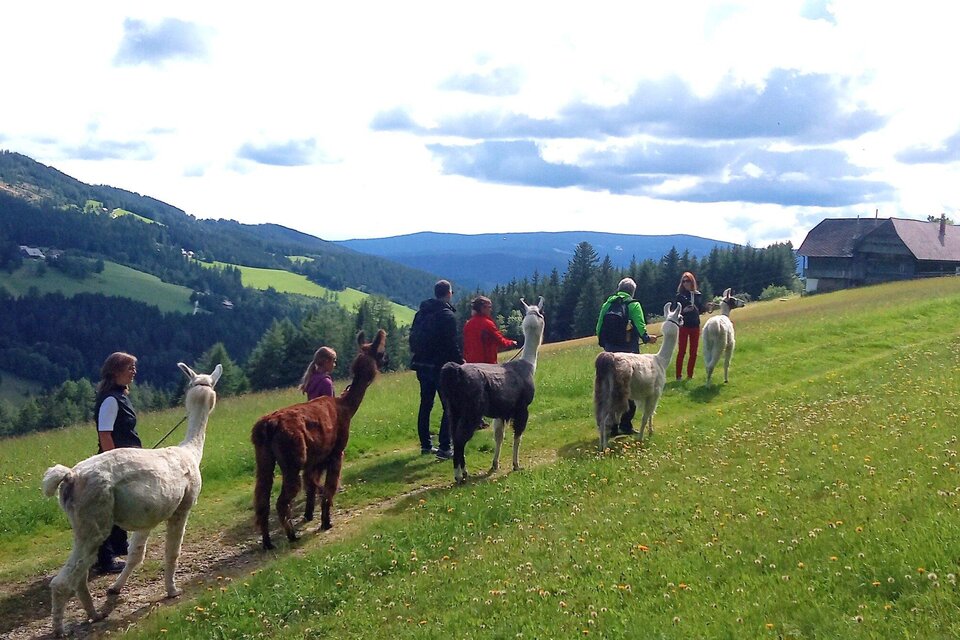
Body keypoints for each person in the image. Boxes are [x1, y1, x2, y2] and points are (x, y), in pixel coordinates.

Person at [94, 351, 141, 573]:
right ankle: (105, 559)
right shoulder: (111, 400)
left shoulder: (119, 396)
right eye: (129, 368)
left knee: (119, 505)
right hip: (115, 461)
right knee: (109, 509)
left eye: (134, 367)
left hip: (125, 459)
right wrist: (114, 463)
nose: (134, 372)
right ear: (115, 371)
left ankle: (120, 546)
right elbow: (105, 434)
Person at [596, 277, 658, 436]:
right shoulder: (633, 305)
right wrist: (646, 338)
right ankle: (625, 424)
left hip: (610, 352)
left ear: (618, 289)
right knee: (629, 387)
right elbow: (640, 324)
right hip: (629, 352)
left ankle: (612, 427)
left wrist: (605, 345)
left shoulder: (607, 304)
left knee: (611, 388)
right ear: (632, 292)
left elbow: (599, 328)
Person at [409, 279, 463, 459]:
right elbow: (451, 344)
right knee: (450, 405)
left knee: (426, 404)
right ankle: (445, 447)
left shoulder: (421, 313)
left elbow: (412, 339)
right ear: (448, 294)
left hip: (422, 365)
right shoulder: (448, 316)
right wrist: (460, 363)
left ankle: (426, 445)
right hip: (441, 367)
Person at [463, 296, 518, 364]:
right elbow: (500, 341)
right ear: (482, 308)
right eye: (489, 307)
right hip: (487, 366)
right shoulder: (488, 324)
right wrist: (512, 343)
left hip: (471, 366)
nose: (490, 310)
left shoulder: (467, 324)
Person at [675, 271, 705, 381]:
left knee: (694, 352)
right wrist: (683, 311)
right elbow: (676, 312)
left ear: (692, 281)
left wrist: (707, 307)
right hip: (684, 326)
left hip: (695, 325)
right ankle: (678, 376)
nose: (685, 283)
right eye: (683, 281)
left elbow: (701, 309)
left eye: (687, 281)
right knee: (682, 351)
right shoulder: (680, 296)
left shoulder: (698, 295)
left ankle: (690, 375)